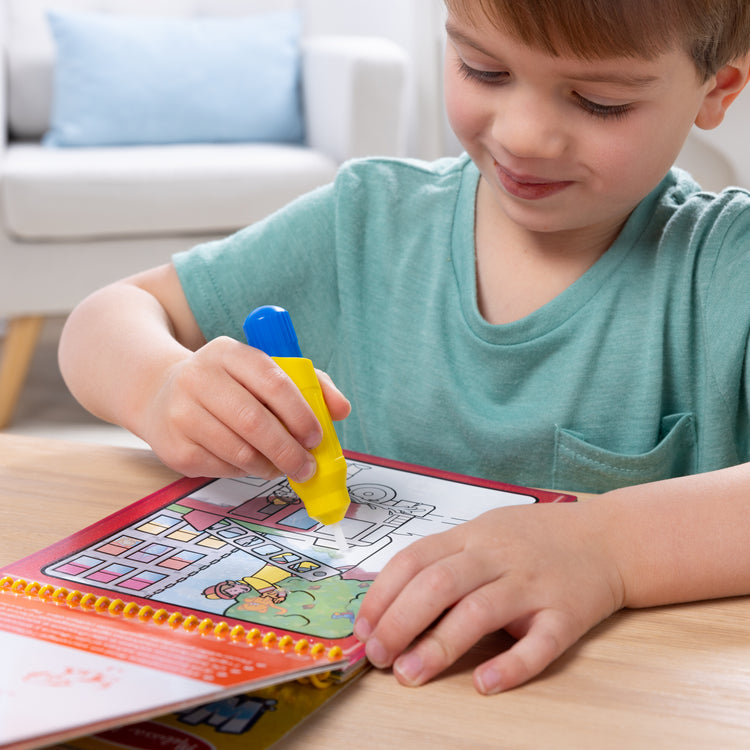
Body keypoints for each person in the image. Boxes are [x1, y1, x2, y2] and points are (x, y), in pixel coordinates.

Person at [59, 0, 750, 696]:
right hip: (361, 692)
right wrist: (158, 387)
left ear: (716, 89)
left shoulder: (725, 267)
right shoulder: (368, 219)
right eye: (484, 69)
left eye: (599, 103)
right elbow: (104, 318)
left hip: (605, 705)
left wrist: (607, 549)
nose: (526, 134)